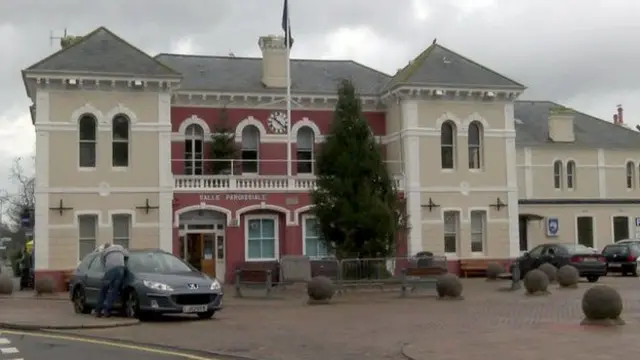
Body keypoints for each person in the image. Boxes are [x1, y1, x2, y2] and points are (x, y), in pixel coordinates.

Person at [94, 243, 128, 318]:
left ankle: (98, 311)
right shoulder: (120, 247)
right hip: (120, 269)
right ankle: (107, 311)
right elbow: (127, 256)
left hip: (110, 270)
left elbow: (103, 264)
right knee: (113, 291)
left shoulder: (104, 252)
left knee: (103, 290)